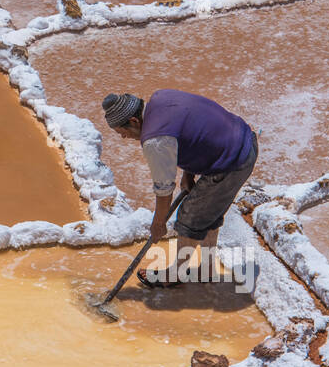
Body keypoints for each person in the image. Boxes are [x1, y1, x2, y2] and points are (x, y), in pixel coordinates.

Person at [101, 89, 257, 286]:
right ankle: (207, 270)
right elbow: (190, 132)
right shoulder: (161, 98)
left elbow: (164, 189)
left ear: (134, 121)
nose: (124, 138)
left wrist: (158, 223)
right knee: (207, 213)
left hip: (232, 160)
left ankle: (175, 275)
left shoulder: (155, 140)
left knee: (189, 217)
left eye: (122, 133)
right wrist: (188, 174)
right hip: (243, 140)